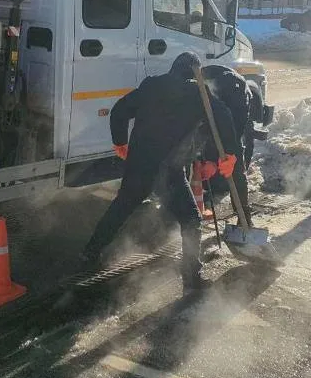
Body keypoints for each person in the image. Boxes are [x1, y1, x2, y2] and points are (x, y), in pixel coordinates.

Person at [81, 52, 241, 291]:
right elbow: (224, 118)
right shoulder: (198, 95)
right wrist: (231, 152)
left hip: (138, 163)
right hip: (168, 169)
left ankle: (90, 253)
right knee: (190, 219)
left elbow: (120, 111)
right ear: (195, 73)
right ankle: (191, 277)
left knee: (121, 207)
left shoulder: (151, 85)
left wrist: (120, 143)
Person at [200, 65, 257, 217]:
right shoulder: (196, 92)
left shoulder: (236, 95)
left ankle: (243, 215)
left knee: (236, 167)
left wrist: (229, 156)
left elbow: (234, 132)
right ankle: (193, 209)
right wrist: (206, 159)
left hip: (236, 109)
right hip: (212, 104)